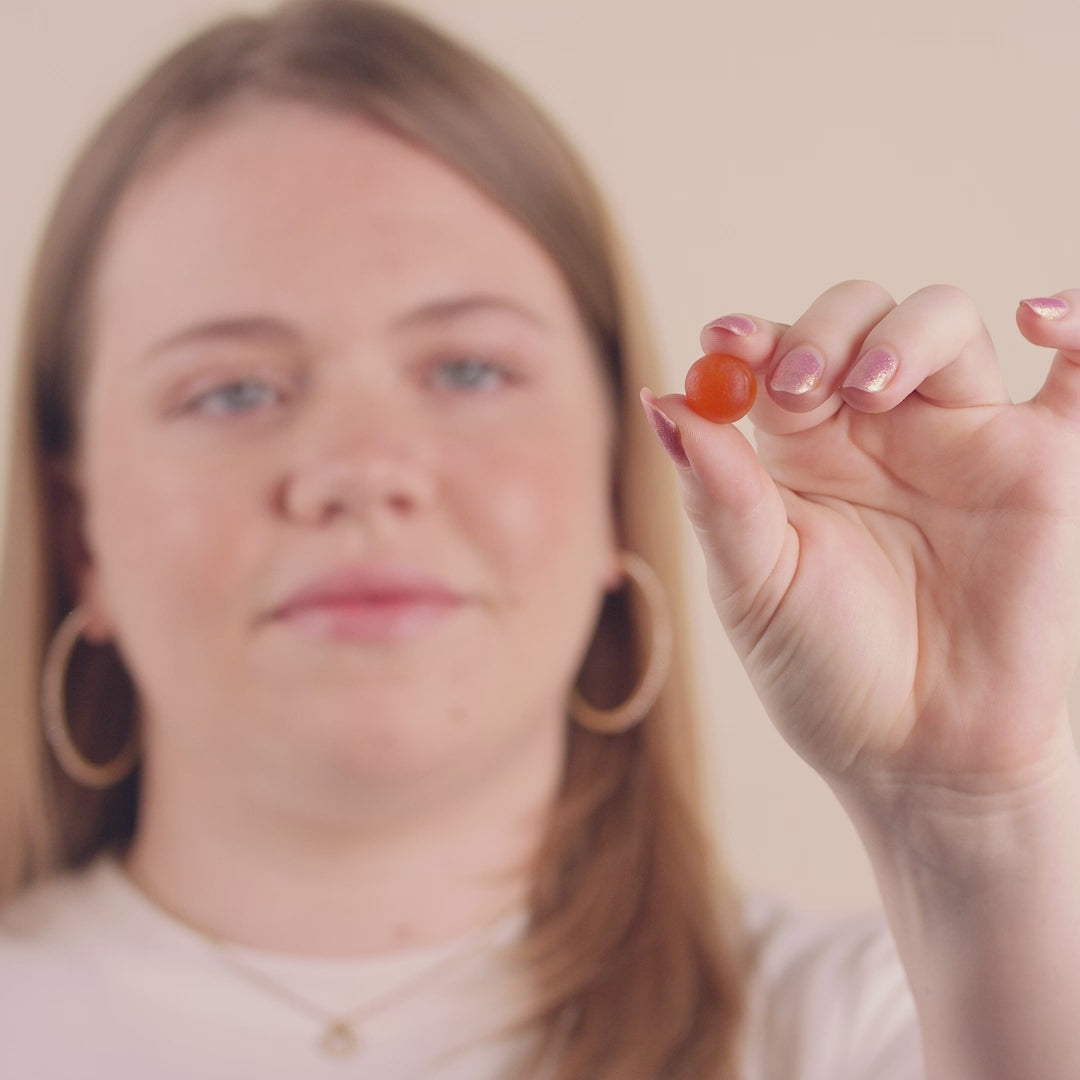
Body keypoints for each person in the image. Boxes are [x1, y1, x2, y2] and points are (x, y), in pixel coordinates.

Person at [2, 1, 1079, 1077]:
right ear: (78, 528)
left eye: (469, 370)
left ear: (620, 476)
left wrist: (968, 820)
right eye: (232, 390)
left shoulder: (918, 1020)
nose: (364, 467)